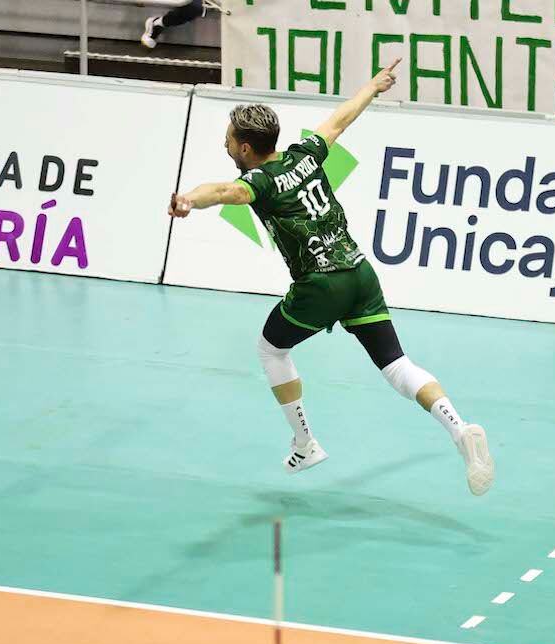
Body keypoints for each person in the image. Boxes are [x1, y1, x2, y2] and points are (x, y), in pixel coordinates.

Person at [168, 60, 494, 495]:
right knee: (397, 365)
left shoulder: (260, 182)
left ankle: (305, 441)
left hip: (320, 284)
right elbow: (339, 120)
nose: (226, 143)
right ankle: (459, 428)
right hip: (360, 273)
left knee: (271, 349)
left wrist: (189, 198)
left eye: (229, 139)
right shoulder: (305, 155)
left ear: (245, 148)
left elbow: (226, 192)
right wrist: (373, 85)